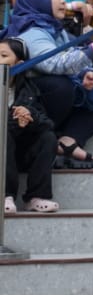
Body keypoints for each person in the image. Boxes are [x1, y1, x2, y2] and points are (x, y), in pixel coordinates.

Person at [5, 0, 93, 169]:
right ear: (38, 0)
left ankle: (67, 141)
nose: (63, 1)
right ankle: (47, 138)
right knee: (60, 86)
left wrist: (86, 73)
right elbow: (56, 63)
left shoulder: (54, 27)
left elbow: (71, 51)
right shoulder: (32, 32)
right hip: (32, 107)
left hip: (57, 102)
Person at [1, 37, 59, 213]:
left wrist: (30, 116)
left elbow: (47, 124)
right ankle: (4, 195)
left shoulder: (29, 90)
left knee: (48, 138)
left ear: (19, 64)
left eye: (3, 56)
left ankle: (36, 197)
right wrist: (15, 120)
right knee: (3, 133)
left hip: (19, 153)